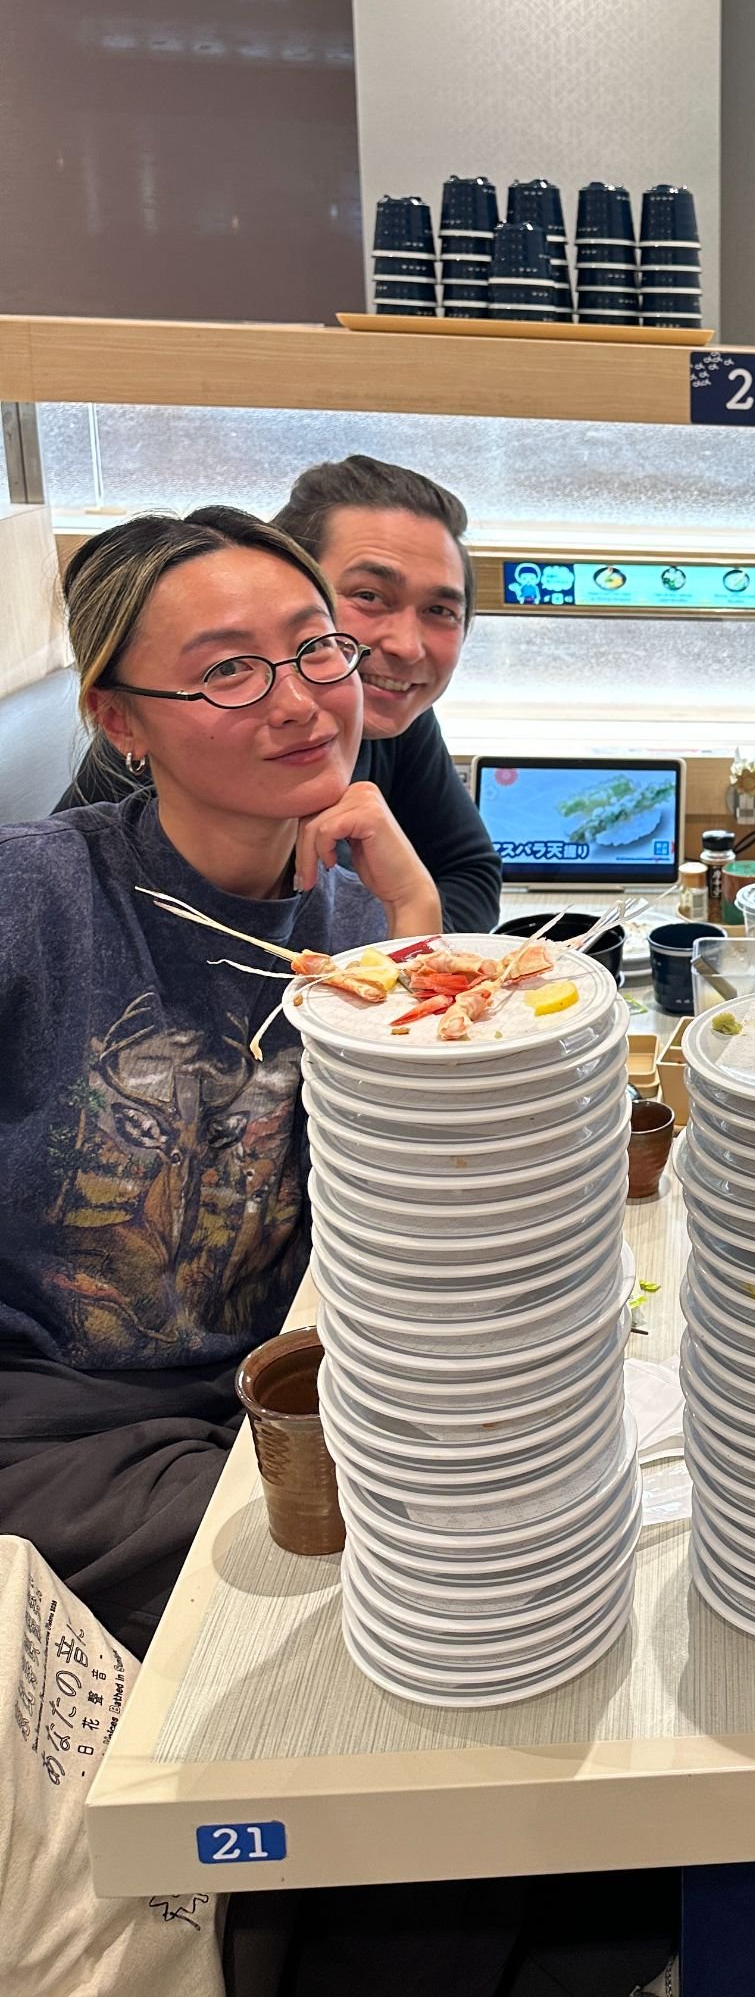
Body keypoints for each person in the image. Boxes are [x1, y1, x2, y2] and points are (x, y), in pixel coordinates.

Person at [1, 506, 438, 1651]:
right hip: (52, 1432)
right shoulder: (32, 898)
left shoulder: (358, 929)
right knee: (384, 1593)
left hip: (278, 1396)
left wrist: (415, 921)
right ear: (120, 720)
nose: (300, 701)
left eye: (315, 648)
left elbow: (419, 1209)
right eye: (230, 671)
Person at [61, 454, 501, 932]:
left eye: (440, 610)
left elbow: (468, 869)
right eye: (368, 596)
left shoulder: (381, 710)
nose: (407, 646)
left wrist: (400, 927)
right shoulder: (169, 741)